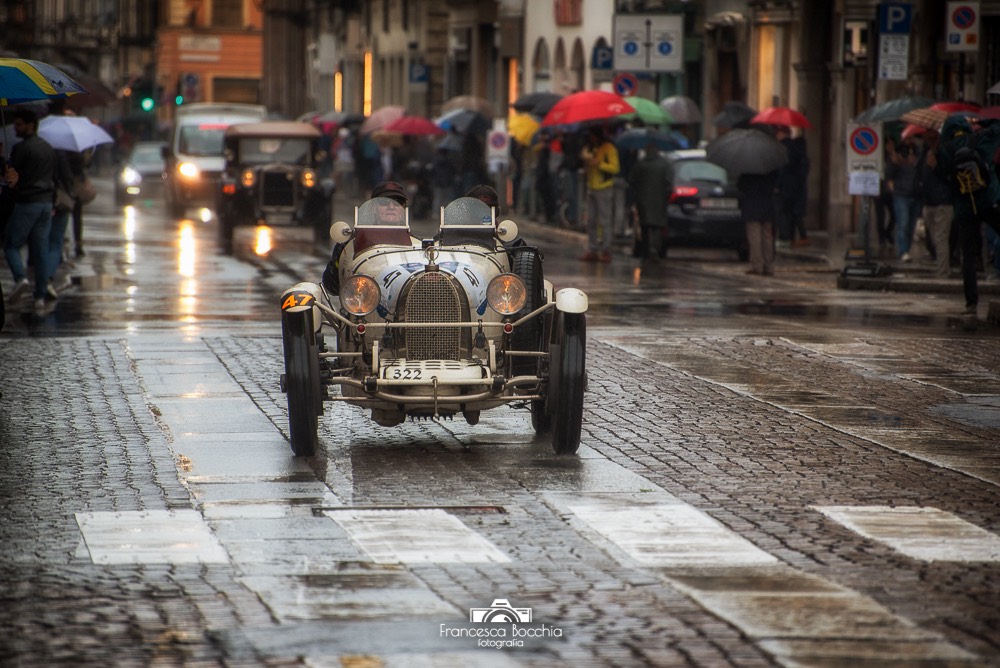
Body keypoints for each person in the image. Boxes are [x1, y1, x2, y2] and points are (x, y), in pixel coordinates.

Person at [935, 115, 1000, 315]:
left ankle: (971, 304)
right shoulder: (979, 140)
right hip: (989, 202)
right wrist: (983, 122)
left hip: (964, 208)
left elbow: (943, 176)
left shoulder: (944, 150)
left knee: (968, 255)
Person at [3, 109, 56, 311]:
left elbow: (13, 178)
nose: (15, 128)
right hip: (45, 203)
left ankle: (20, 277)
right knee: (40, 250)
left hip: (28, 202)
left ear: (30, 125)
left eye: (19, 124)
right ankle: (40, 296)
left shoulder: (21, 149)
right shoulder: (48, 148)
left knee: (11, 244)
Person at [321, 181, 408, 294]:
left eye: (397, 202)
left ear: (403, 208)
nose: (391, 206)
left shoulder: (414, 244)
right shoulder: (353, 243)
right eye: (384, 202)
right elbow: (331, 287)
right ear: (373, 208)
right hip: (362, 302)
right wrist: (340, 258)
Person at [916, 128, 953, 277]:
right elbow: (920, 174)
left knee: (941, 237)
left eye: (931, 138)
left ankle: (943, 271)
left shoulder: (944, 154)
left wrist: (936, 167)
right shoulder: (924, 154)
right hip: (929, 202)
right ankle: (941, 266)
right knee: (934, 238)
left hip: (943, 202)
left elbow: (949, 176)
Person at [580, 128, 620, 262]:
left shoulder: (609, 149)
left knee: (605, 220)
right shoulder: (591, 149)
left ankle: (606, 249)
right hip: (591, 186)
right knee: (591, 220)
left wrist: (600, 164)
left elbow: (615, 168)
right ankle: (592, 249)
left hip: (604, 187)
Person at [627, 140, 670, 261]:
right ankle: (656, 249)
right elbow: (669, 183)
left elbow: (631, 180)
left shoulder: (640, 164)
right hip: (660, 202)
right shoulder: (665, 165)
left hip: (643, 201)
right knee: (658, 226)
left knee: (645, 227)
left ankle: (646, 252)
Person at [738, 168, 780, 276]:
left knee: (755, 237)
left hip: (752, 207)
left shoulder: (748, 169)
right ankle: (769, 266)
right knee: (767, 237)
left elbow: (741, 186)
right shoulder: (771, 168)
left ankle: (757, 266)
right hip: (767, 207)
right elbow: (775, 185)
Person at [886, 136, 921, 262]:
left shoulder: (918, 153)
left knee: (911, 225)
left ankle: (907, 249)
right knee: (903, 223)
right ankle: (903, 251)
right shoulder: (898, 154)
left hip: (915, 194)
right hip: (901, 194)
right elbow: (889, 173)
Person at [774, 126, 810, 247]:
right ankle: (794, 237)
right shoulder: (798, 148)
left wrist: (777, 184)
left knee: (783, 212)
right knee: (794, 214)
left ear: (782, 133)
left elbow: (782, 169)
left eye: (778, 133)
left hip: (786, 187)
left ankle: (785, 237)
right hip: (797, 187)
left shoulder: (784, 148)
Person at [431, 146, 458, 217]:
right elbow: (453, 171)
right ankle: (447, 213)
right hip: (448, 182)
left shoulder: (435, 161)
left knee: (437, 198)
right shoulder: (450, 161)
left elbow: (432, 172)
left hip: (438, 182)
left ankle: (435, 213)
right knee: (448, 198)